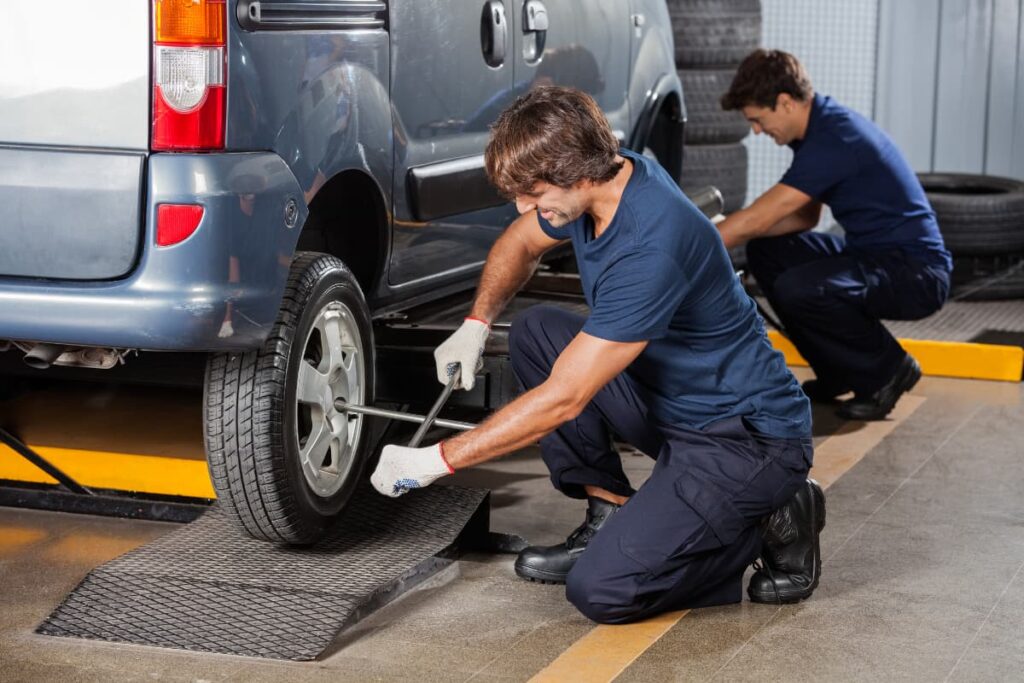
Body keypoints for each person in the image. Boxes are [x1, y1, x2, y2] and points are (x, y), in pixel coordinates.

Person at [370, 86, 824, 622]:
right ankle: (609, 511)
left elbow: (565, 399)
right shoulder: (605, 179)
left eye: (533, 192)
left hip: (746, 439)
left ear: (574, 170)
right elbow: (519, 241)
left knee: (604, 590)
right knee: (539, 331)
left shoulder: (651, 244)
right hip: (674, 402)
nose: (523, 206)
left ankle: (770, 516)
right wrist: (476, 322)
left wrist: (436, 460)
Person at [717, 49, 952, 421]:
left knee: (802, 288)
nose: (757, 131)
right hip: (874, 254)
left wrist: (696, 241)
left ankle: (887, 370)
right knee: (767, 253)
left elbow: (761, 216)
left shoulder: (835, 139)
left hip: (915, 272)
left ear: (785, 102)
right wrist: (738, 230)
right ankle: (837, 370)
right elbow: (804, 219)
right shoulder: (817, 130)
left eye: (758, 120)